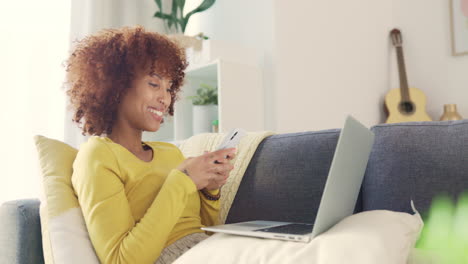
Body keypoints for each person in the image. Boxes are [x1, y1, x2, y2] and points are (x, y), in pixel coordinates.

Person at [65, 26, 236, 264]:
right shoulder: (97, 155)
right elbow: (121, 260)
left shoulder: (171, 153)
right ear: (117, 85)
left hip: (207, 250)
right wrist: (182, 180)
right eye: (154, 84)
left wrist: (210, 190)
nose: (165, 98)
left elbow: (203, 231)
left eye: (169, 88)